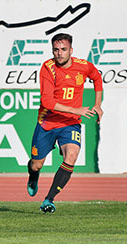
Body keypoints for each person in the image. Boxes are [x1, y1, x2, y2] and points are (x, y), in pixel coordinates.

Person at [28, 33, 103, 213]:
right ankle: (33, 175)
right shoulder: (48, 67)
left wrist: (98, 105)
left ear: (71, 50)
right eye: (55, 49)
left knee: (71, 156)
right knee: (37, 164)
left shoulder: (83, 66)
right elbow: (47, 101)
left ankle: (49, 199)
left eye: (63, 49)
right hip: (47, 122)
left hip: (70, 123)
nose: (59, 53)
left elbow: (97, 78)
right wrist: (77, 110)